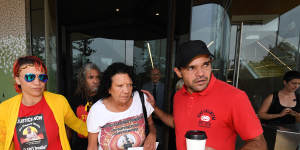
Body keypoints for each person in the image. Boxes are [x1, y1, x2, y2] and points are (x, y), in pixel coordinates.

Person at [143, 40, 267, 150]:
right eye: (191, 68)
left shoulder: (234, 97)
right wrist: (154, 107)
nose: (201, 73)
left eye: (205, 64)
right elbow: (178, 123)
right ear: (178, 72)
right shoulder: (179, 96)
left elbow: (259, 143)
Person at [0, 56, 87, 150]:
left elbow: (78, 125)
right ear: (17, 80)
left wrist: (102, 134)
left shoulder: (58, 102)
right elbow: (2, 143)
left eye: (42, 77)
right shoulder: (5, 109)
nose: (37, 82)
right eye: (30, 77)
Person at [86, 62, 156, 150]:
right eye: (120, 86)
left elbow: (151, 124)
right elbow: (92, 147)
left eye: (129, 85)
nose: (126, 91)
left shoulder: (141, 99)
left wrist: (152, 134)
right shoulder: (97, 111)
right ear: (108, 89)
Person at [70, 63, 101, 150]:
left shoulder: (104, 98)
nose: (95, 81)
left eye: (97, 77)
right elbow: (68, 128)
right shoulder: (74, 99)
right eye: (91, 77)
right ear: (83, 80)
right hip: (79, 146)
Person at [142, 68, 165, 150]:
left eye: (157, 74)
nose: (155, 76)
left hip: (161, 119)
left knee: (160, 143)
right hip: (149, 118)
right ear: (150, 76)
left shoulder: (166, 87)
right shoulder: (145, 87)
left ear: (160, 75)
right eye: (153, 74)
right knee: (150, 142)